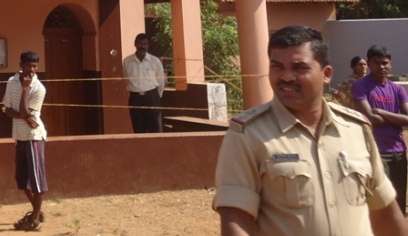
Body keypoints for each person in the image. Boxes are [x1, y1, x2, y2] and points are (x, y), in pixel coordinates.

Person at [213, 25, 408, 235]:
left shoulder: (356, 129)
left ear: (326, 74)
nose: (286, 76)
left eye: (299, 68)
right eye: (277, 67)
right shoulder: (247, 135)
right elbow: (236, 220)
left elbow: (385, 212)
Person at [352, 44, 408, 214]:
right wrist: (396, 118)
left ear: (391, 63)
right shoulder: (360, 86)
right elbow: (369, 118)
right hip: (374, 152)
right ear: (369, 63)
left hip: (398, 152)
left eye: (385, 63)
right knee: (380, 203)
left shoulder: (397, 89)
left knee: (398, 201)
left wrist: (382, 112)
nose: (382, 67)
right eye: (377, 63)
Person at [3, 51, 47, 232]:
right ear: (21, 65)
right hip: (19, 135)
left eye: (35, 66)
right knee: (21, 179)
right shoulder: (11, 82)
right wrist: (22, 115)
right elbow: (7, 109)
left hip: (33, 136)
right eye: (29, 65)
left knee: (37, 180)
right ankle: (38, 210)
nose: (32, 70)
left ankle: (34, 218)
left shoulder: (39, 88)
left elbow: (22, 111)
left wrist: (25, 90)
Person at [122, 33, 166, 133]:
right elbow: (127, 79)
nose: (142, 46)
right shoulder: (127, 61)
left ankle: (156, 149)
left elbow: (160, 81)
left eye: (145, 44)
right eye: (140, 43)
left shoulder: (155, 61)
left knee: (155, 129)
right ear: (135, 44)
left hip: (152, 97)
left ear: (148, 45)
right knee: (138, 128)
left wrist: (155, 97)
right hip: (135, 99)